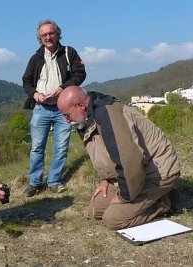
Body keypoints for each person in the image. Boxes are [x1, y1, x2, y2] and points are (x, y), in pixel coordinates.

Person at [57, 86, 181, 230]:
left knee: (114, 219)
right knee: (95, 209)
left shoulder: (108, 115)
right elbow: (106, 153)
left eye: (67, 115)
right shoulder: (87, 118)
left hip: (157, 173)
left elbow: (129, 161)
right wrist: (105, 179)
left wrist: (124, 197)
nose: (67, 120)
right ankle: (149, 198)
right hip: (136, 175)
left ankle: (166, 201)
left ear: (80, 105)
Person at [22, 19, 86, 197]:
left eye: (51, 33)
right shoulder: (35, 58)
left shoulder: (68, 53)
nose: (48, 37)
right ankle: (34, 182)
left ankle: (54, 181)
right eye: (44, 35)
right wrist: (36, 95)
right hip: (41, 108)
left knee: (61, 146)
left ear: (58, 34)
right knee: (37, 147)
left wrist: (63, 88)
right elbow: (26, 81)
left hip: (63, 109)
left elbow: (81, 73)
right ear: (40, 38)